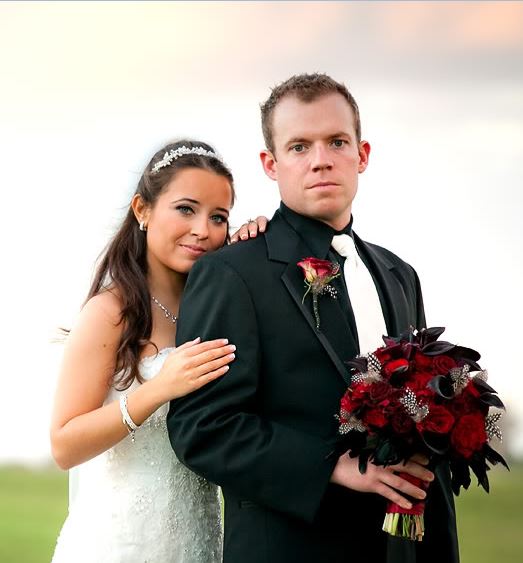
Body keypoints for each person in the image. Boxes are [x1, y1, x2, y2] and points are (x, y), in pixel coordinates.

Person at [167, 75, 459, 562]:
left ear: (361, 155)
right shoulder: (232, 273)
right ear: (271, 164)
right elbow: (202, 427)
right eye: (299, 146)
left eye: (336, 142)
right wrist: (329, 467)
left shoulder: (398, 274)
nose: (320, 159)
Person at [49, 139, 266, 562]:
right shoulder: (110, 313)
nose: (203, 229)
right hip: (120, 543)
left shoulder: (218, 310)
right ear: (142, 210)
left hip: (199, 540)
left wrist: (253, 253)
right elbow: (64, 445)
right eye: (186, 209)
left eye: (218, 217)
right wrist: (158, 389)